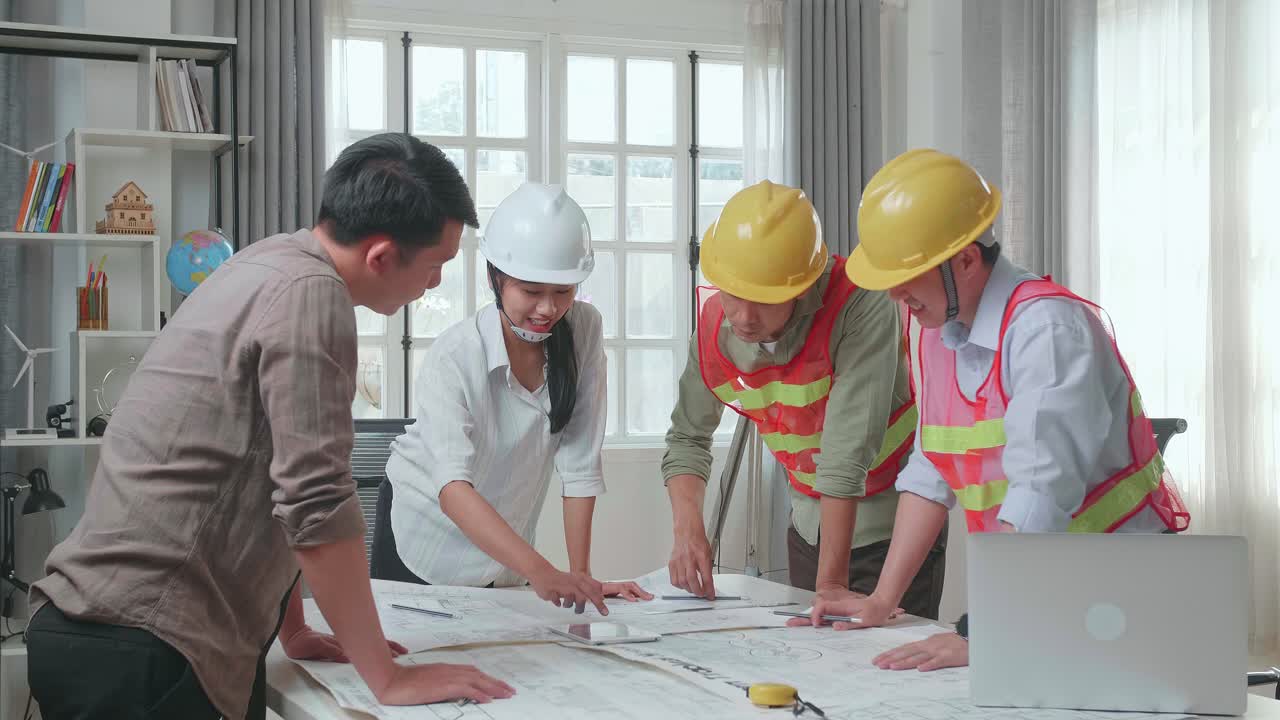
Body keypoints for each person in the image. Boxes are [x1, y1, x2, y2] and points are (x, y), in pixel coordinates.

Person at [24, 133, 515, 720]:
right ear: (382, 256)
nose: (434, 284)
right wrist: (386, 677)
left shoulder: (266, 262)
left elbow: (265, 471)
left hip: (99, 631)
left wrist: (295, 628)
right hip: (149, 646)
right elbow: (317, 500)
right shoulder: (314, 297)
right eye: (436, 266)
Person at [803, 148, 1190, 671]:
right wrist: (881, 600)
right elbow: (930, 471)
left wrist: (984, 632)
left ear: (965, 261)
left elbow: (1039, 497)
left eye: (907, 274)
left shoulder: (1047, 331)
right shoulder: (937, 331)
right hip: (1043, 589)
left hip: (1118, 593)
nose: (895, 294)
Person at [664, 180, 947, 617]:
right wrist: (688, 532)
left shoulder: (860, 303)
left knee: (889, 658)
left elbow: (845, 454)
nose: (744, 316)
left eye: (764, 299)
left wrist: (831, 584)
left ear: (801, 285)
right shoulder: (716, 327)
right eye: (734, 293)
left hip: (890, 534)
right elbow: (687, 437)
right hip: (807, 531)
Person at [374, 183, 651, 614]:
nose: (548, 309)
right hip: (424, 538)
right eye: (531, 291)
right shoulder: (455, 355)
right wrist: (542, 571)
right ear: (495, 278)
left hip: (506, 550)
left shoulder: (583, 329)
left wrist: (581, 579)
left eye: (563, 291)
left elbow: (579, 461)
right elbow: (452, 487)